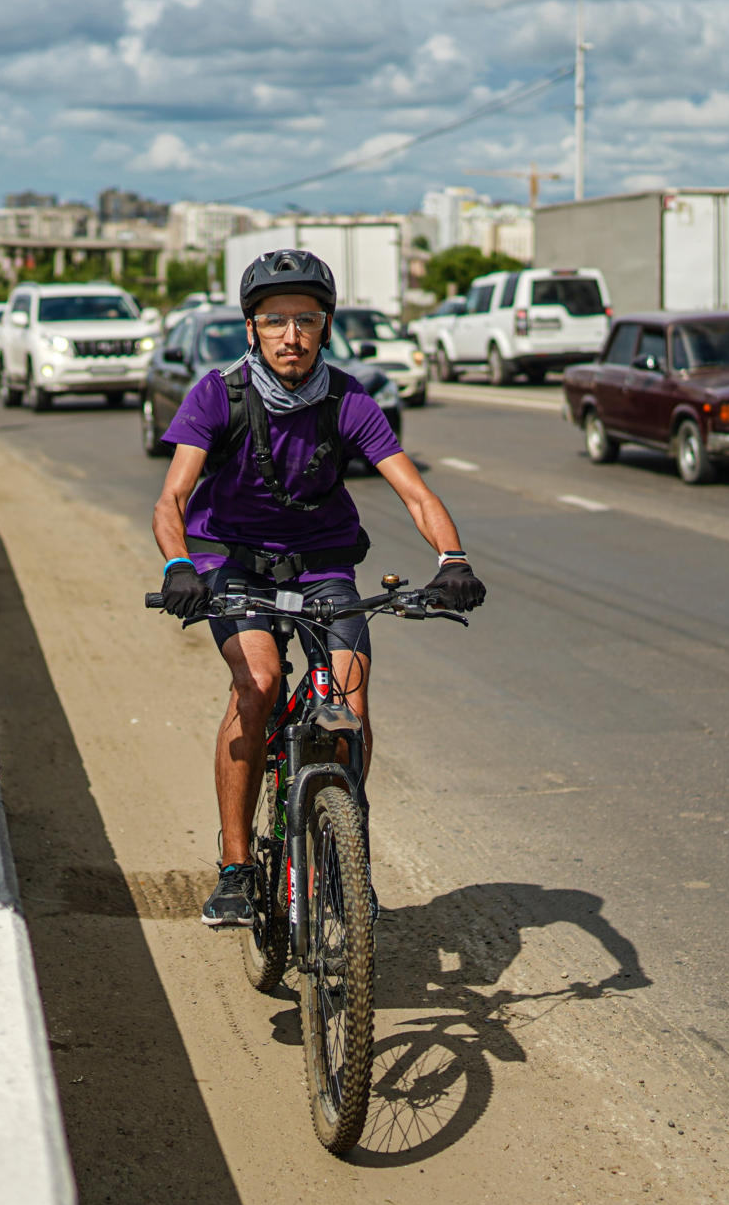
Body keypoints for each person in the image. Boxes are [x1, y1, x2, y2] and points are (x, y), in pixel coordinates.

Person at [151, 249, 485, 927]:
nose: (291, 334)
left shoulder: (349, 398)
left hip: (323, 562)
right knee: (260, 684)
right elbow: (173, 498)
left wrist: (452, 557)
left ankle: (340, 855)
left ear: (326, 325)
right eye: (275, 320)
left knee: (349, 705)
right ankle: (239, 870)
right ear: (252, 328)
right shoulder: (217, 393)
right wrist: (178, 566)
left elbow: (413, 491)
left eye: (306, 318)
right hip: (234, 562)